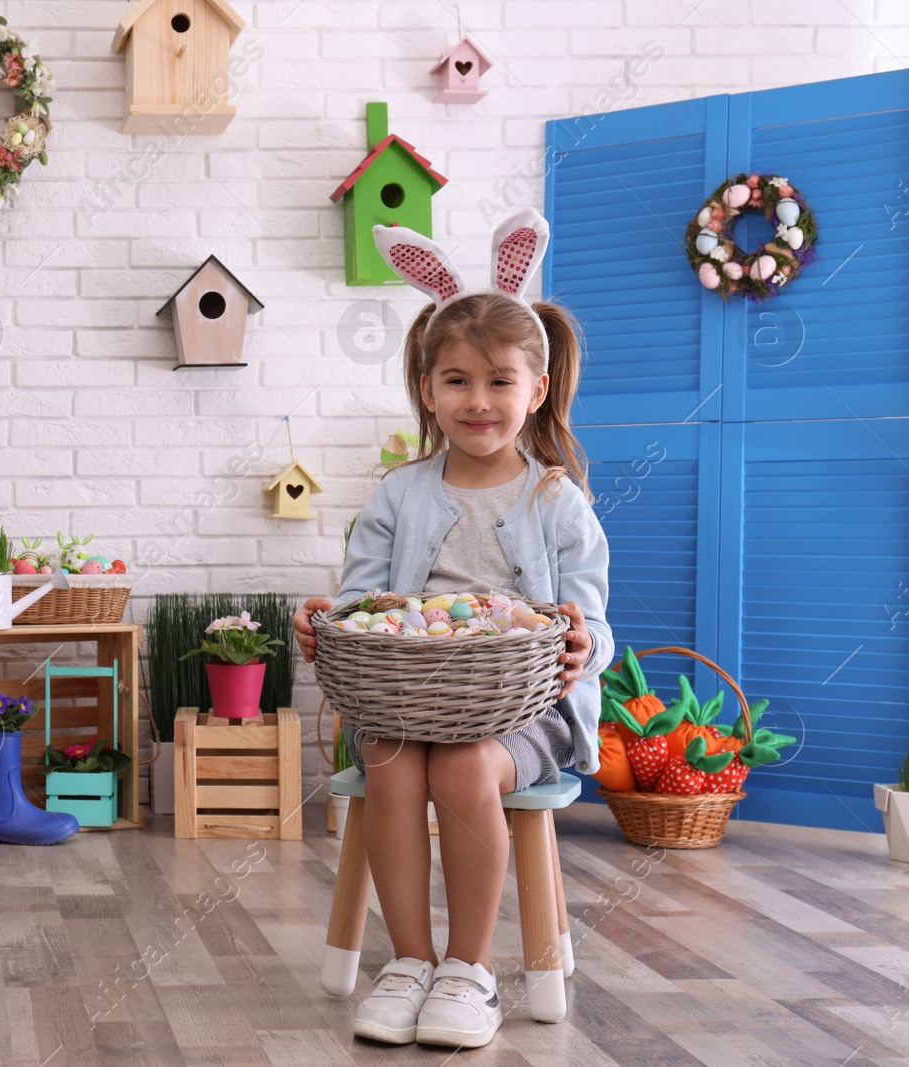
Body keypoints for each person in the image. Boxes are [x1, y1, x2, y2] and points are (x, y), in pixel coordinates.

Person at [293, 211, 613, 1049]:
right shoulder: (399, 494)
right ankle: (409, 961)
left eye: (500, 381)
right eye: (458, 381)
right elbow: (362, 603)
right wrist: (326, 623)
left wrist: (582, 644)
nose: (478, 401)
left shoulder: (556, 501)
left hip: (526, 709)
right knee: (395, 768)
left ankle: (469, 971)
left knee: (467, 767)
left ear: (536, 389)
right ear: (427, 390)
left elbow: (595, 623)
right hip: (406, 701)